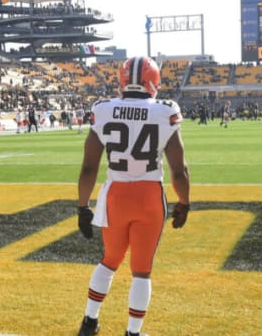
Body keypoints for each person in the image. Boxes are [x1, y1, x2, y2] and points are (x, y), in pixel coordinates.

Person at [76, 56, 191, 336]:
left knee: (109, 259)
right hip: (149, 195)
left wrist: (82, 207)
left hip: (116, 196)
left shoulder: (103, 109)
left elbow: (89, 167)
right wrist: (185, 202)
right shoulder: (165, 111)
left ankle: (89, 321)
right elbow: (179, 170)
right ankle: (133, 332)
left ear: (123, 80)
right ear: (154, 82)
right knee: (141, 270)